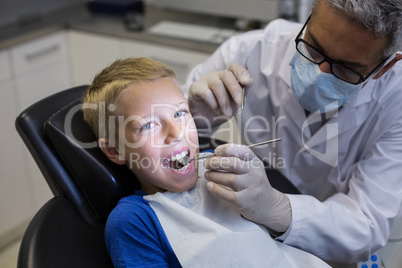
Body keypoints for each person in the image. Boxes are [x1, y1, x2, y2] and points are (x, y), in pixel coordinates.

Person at [185, 0, 402, 265]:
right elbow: (150, 138)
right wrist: (192, 119)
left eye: (346, 68)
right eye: (314, 47)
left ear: (386, 67)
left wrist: (279, 209)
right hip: (241, 239)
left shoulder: (396, 102)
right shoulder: (251, 51)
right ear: (310, 16)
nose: (319, 74)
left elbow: (367, 224)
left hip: (323, 254)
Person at [82, 57, 330, 267]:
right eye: (148, 125)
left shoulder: (225, 167)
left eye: (180, 113)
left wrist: (272, 209)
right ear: (114, 150)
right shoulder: (134, 220)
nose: (175, 132)